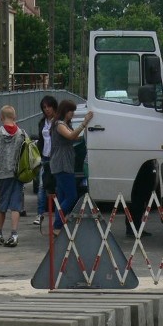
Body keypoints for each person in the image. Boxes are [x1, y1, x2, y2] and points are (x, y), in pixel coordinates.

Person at [50, 99, 94, 237]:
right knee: (71, 195)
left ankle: (60, 224)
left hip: (63, 163)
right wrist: (84, 123)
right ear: (65, 111)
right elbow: (71, 136)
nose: (72, 114)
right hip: (62, 164)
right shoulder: (59, 124)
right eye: (71, 111)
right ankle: (57, 224)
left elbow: (74, 138)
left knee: (63, 196)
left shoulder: (63, 124)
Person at [0, 105, 25, 247]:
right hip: (18, 174)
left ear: (1, 118)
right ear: (14, 117)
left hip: (3, 174)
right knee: (15, 205)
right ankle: (14, 234)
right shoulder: (21, 133)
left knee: (2, 205)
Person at [33, 95, 58, 226]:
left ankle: (60, 213)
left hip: (56, 156)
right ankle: (40, 213)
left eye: (49, 106)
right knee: (42, 185)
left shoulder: (59, 121)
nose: (47, 109)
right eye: (44, 107)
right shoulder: (42, 122)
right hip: (45, 156)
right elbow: (41, 140)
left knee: (57, 185)